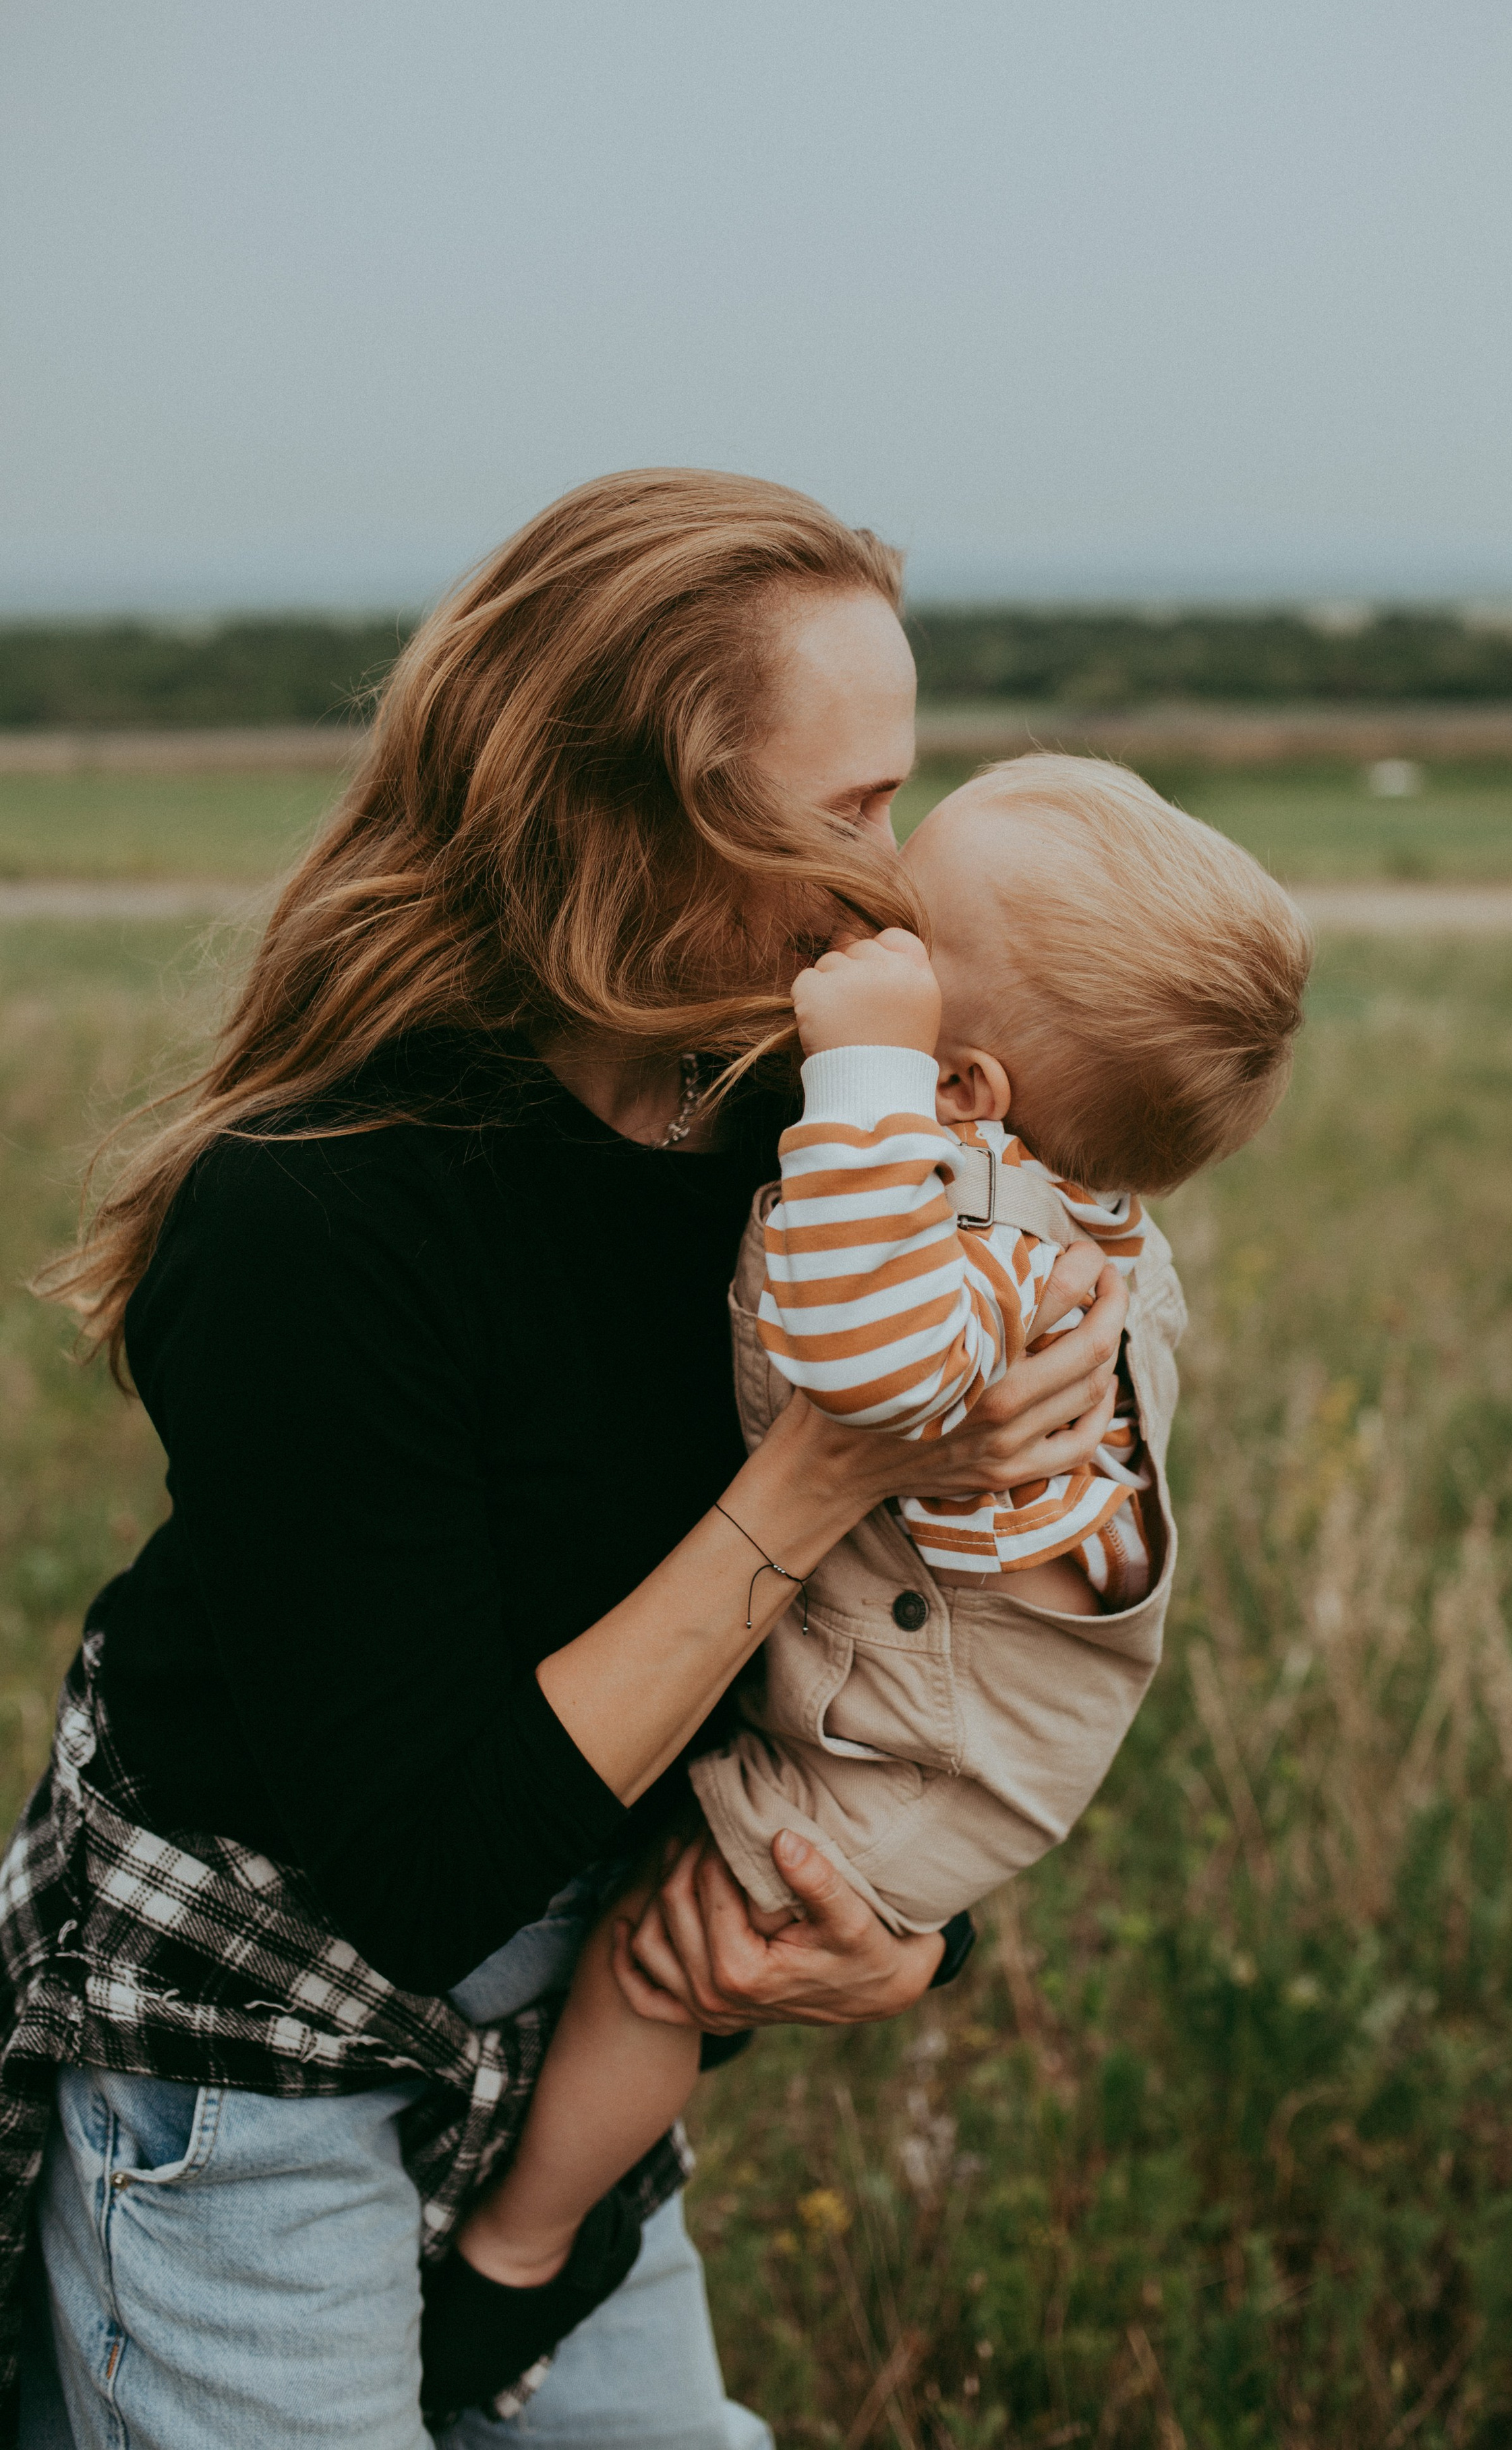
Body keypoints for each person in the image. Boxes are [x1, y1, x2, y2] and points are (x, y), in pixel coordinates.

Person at [0, 471, 1132, 2450]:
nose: (898, 887)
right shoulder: (314, 1224)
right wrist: (824, 1476)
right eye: (846, 813)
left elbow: (914, 1644)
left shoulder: (804, 1145)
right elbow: (426, 1862)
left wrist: (899, 1937)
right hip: (259, 2047)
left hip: (576, 2031)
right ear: (632, 815)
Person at [424, 756, 1311, 2418]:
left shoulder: (959, 1213)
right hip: (946, 1688)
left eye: (902, 929)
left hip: (920, 1741)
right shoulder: (1040, 1176)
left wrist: (856, 1075)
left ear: (965, 1085)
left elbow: (862, 1359)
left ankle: (521, 2254)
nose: (858, 918)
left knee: (659, 1956)